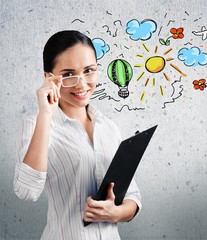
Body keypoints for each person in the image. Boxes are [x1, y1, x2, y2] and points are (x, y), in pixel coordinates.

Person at [13, 30, 141, 240]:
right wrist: (46, 114)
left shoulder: (109, 127)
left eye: (89, 70)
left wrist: (115, 213)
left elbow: (133, 196)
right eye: (68, 74)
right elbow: (26, 191)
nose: (82, 84)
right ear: (49, 78)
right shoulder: (37, 124)